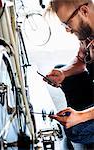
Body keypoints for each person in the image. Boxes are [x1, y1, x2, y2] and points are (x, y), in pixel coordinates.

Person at [43, 0, 94, 145]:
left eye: (67, 24)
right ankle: (77, 113)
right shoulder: (88, 33)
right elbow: (80, 61)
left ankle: (79, 115)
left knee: (76, 131)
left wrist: (82, 116)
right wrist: (63, 73)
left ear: (84, 11)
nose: (68, 30)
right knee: (63, 70)